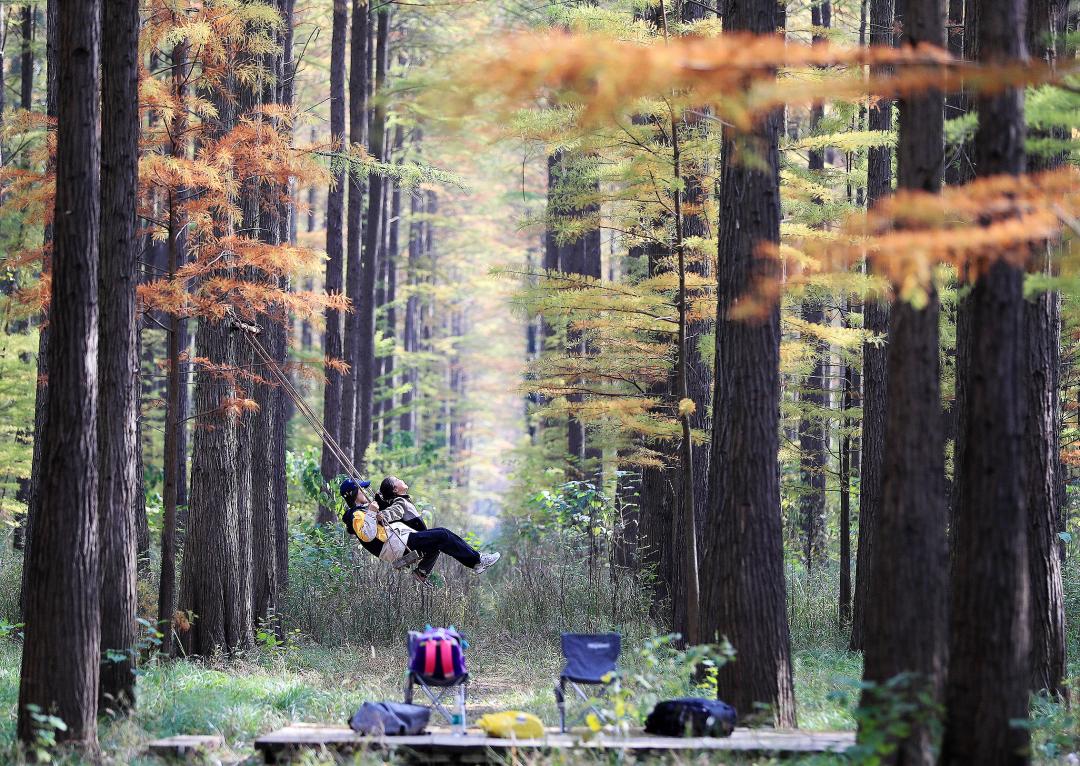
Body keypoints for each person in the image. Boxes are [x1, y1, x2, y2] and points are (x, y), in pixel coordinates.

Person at [340, 477, 500, 583]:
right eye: (361, 489)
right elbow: (367, 535)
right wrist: (373, 512)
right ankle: (478, 561)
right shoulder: (356, 515)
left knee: (437, 541)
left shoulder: (364, 511)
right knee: (442, 535)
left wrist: (377, 504)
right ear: (354, 493)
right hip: (394, 544)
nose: (365, 491)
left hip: (395, 543)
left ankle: (423, 570)